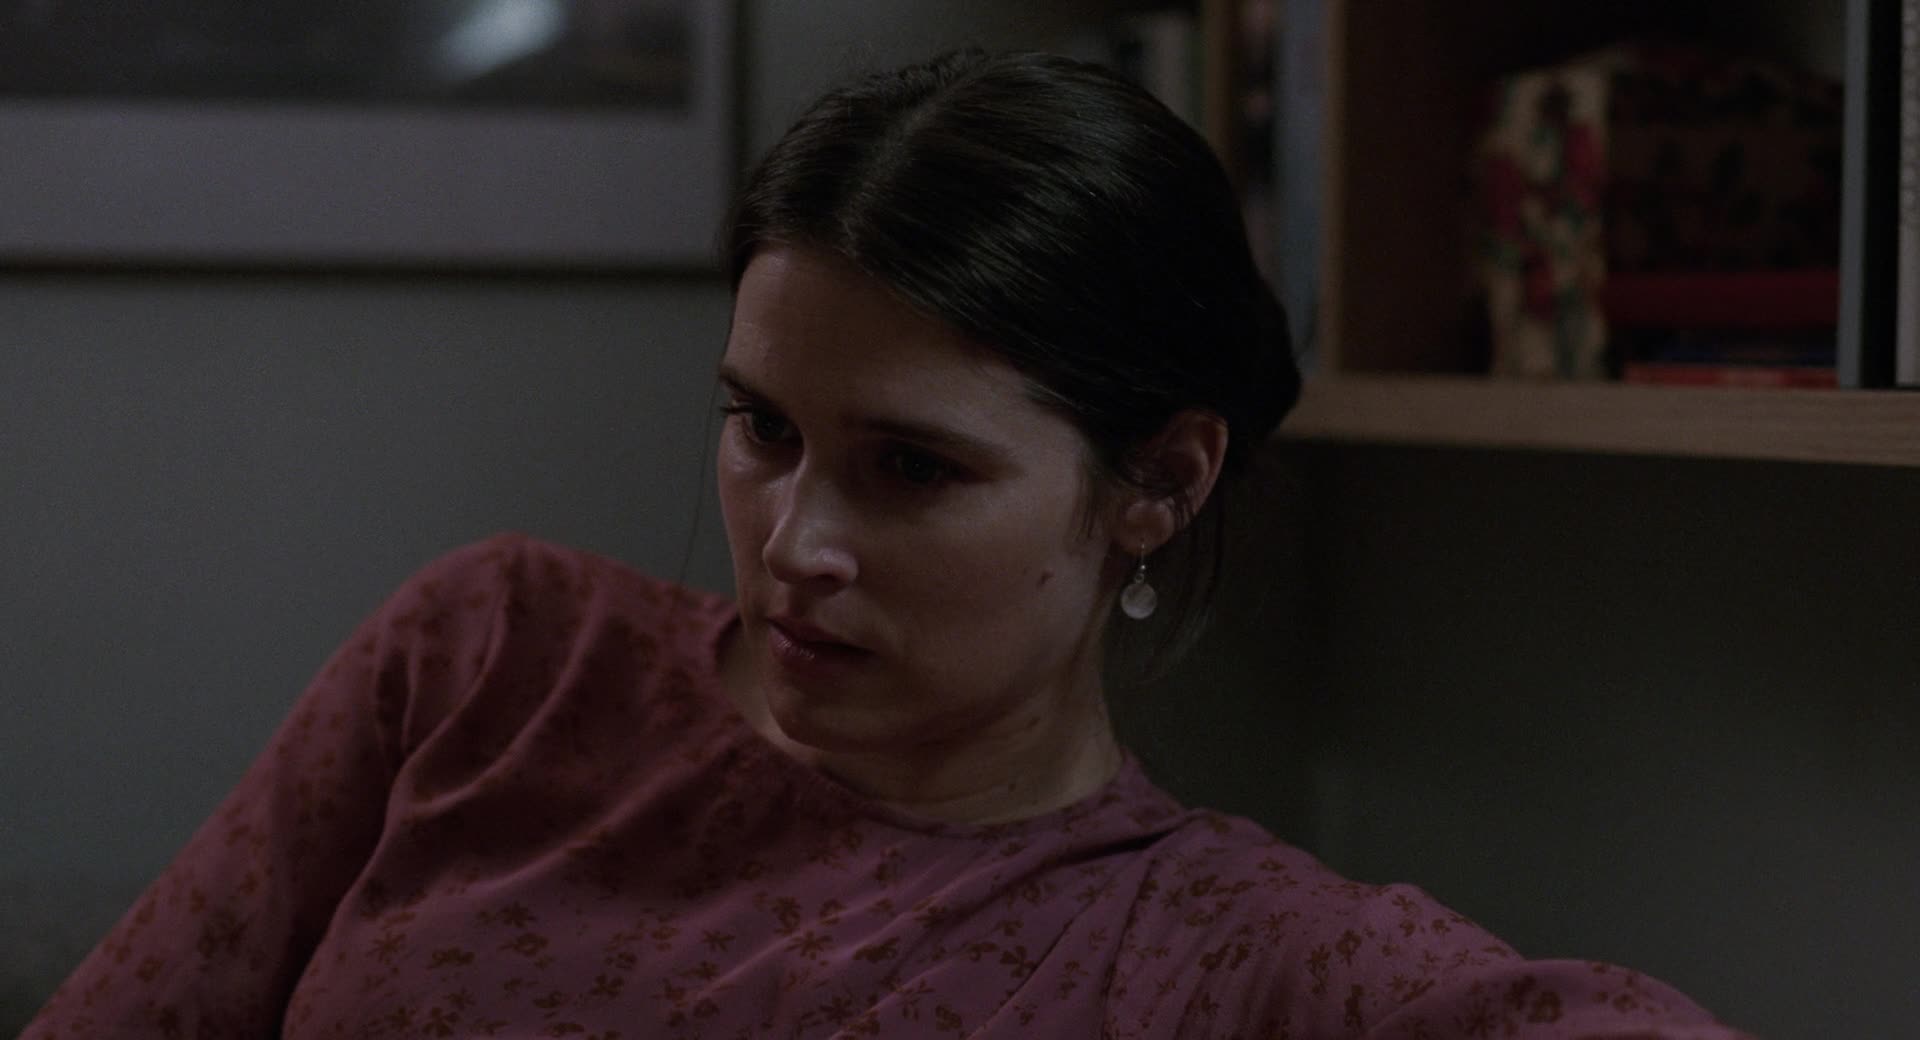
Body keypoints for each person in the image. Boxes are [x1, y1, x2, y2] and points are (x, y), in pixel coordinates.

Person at [26, 50, 1751, 1039]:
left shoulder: (1221, 951)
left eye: (912, 470)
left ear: (1157, 481)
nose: (797, 542)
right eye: (761, 428)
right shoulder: (498, 658)